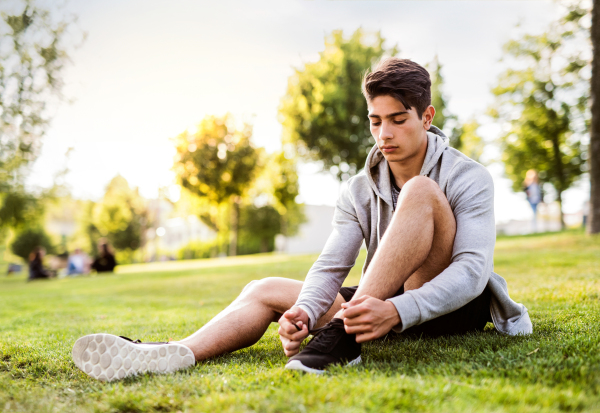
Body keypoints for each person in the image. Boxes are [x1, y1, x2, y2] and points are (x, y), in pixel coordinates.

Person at [72, 58, 532, 382]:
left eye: (397, 119)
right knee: (264, 289)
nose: (384, 135)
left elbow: (472, 272)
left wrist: (396, 309)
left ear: (426, 116)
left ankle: (339, 341)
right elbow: (333, 264)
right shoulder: (357, 189)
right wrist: (306, 312)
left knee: (420, 192)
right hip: (377, 305)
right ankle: (173, 354)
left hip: (448, 306)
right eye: (375, 121)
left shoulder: (468, 177)